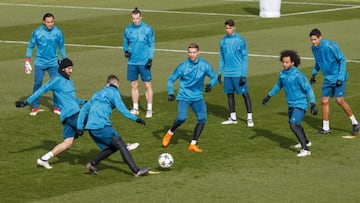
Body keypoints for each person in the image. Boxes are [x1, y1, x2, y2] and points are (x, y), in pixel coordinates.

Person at [15, 58, 86, 169]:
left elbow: (72, 99)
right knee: (96, 125)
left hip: (68, 117)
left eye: (72, 68)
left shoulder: (69, 81)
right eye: (69, 68)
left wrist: (84, 102)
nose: (71, 71)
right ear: (63, 69)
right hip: (73, 115)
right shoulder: (56, 80)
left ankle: (43, 159)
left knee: (68, 143)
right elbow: (42, 89)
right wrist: (27, 102)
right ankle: (118, 144)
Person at [77, 75, 150, 177]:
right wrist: (136, 119)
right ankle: (136, 171)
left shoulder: (97, 94)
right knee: (120, 144)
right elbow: (122, 109)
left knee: (112, 147)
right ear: (116, 84)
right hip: (101, 126)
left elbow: (84, 109)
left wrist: (80, 127)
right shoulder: (113, 92)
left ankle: (92, 164)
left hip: (91, 128)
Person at [162, 43, 217, 153]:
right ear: (188, 53)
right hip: (184, 96)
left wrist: (211, 84)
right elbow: (171, 79)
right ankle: (170, 132)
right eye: (190, 52)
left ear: (198, 52)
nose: (192, 55)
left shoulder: (204, 65)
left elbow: (214, 77)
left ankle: (193, 144)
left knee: (202, 119)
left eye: (194, 52)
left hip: (197, 97)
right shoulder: (182, 66)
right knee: (182, 118)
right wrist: (170, 93)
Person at [262, 50, 318, 157]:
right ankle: (306, 141)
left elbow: (308, 89)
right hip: (291, 105)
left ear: (292, 63)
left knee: (293, 124)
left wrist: (313, 104)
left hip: (301, 104)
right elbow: (278, 86)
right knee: (295, 124)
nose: (284, 64)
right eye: (283, 62)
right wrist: (268, 96)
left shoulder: (298, 75)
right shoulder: (282, 74)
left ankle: (305, 149)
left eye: (287, 62)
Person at [308, 28, 359, 137]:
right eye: (311, 40)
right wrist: (314, 74)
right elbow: (318, 61)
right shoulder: (313, 48)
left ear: (320, 38)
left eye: (315, 39)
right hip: (328, 78)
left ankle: (355, 123)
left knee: (339, 100)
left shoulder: (330, 46)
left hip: (338, 77)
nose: (313, 42)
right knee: (324, 100)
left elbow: (342, 60)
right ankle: (326, 128)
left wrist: (340, 78)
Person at [24, 13, 66, 116]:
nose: (50, 24)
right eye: (48, 22)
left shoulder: (58, 32)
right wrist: (27, 60)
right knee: (37, 84)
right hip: (40, 63)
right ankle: (35, 107)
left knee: (56, 85)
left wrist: (65, 61)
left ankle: (56, 107)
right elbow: (30, 46)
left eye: (52, 22)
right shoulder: (37, 32)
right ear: (43, 22)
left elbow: (61, 47)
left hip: (54, 63)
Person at [217, 19, 254, 127]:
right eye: (226, 28)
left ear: (234, 27)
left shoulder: (240, 40)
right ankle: (233, 118)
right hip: (228, 73)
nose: (228, 30)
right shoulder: (223, 41)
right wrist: (220, 73)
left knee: (245, 94)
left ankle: (249, 118)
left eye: (230, 28)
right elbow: (221, 58)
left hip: (238, 73)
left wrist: (243, 75)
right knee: (229, 95)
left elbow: (245, 58)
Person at [123, 7, 155, 118]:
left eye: (137, 18)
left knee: (147, 84)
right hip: (132, 62)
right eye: (133, 18)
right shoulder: (128, 29)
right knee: (133, 84)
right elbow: (125, 41)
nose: (135, 20)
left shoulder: (147, 29)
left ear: (141, 17)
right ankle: (135, 108)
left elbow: (151, 45)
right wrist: (126, 50)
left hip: (144, 61)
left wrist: (150, 59)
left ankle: (149, 109)